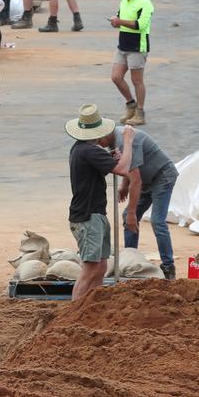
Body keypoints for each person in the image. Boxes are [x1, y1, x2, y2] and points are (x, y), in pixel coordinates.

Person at [65, 105, 135, 299]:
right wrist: (128, 142)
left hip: (94, 214)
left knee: (101, 266)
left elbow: (105, 165)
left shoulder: (82, 149)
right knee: (90, 268)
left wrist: (111, 158)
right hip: (88, 216)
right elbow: (123, 169)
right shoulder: (89, 151)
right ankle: (74, 311)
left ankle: (90, 305)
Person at [117, 124, 179, 279]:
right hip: (146, 179)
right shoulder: (112, 141)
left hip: (162, 175)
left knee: (157, 221)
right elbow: (128, 165)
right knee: (128, 218)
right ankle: (131, 261)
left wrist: (132, 213)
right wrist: (124, 184)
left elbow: (136, 180)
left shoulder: (128, 141)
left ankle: (168, 266)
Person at [110, 0, 154, 126]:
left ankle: (140, 113)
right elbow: (119, 16)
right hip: (123, 45)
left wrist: (120, 22)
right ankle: (131, 105)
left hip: (137, 46)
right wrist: (115, 21)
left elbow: (140, 25)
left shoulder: (145, 3)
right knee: (116, 77)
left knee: (137, 81)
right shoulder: (124, 1)